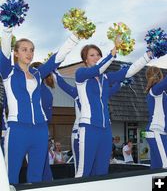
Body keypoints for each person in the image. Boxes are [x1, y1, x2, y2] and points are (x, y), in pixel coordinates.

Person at [0, 26, 79, 184]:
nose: (29, 53)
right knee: (11, 176)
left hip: (40, 130)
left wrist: (74, 38)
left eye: (32, 50)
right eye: (24, 50)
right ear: (15, 53)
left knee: (36, 176)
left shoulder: (37, 74)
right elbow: (3, 54)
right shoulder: (8, 72)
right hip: (17, 129)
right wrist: (8, 30)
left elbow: (56, 59)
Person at [74, 43, 153, 177]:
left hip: (106, 130)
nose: (96, 57)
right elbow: (96, 70)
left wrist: (148, 56)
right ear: (85, 59)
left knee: (102, 171)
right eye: (92, 55)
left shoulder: (106, 78)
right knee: (84, 171)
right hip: (89, 128)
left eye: (98, 54)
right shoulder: (81, 74)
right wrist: (112, 53)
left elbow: (128, 71)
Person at [30, 61, 55, 182]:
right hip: (33, 129)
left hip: (43, 130)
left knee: (42, 163)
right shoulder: (33, 88)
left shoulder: (44, 89)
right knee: (38, 165)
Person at [145, 66, 167, 169]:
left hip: (156, 132)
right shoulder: (155, 90)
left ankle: (154, 185)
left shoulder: (159, 92)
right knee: (164, 166)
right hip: (156, 131)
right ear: (161, 76)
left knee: (156, 166)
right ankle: (158, 185)